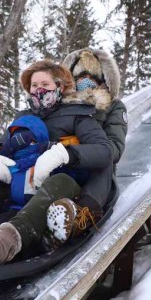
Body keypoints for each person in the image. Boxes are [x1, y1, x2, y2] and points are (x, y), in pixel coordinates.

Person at [0, 59, 114, 267]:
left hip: (62, 183)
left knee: (59, 181)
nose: (39, 90)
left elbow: (104, 150)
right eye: (34, 86)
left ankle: (5, 243)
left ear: (60, 87)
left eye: (45, 85)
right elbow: (2, 149)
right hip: (21, 179)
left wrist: (65, 154)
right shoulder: (22, 118)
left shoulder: (79, 114)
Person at [46, 48, 128, 243]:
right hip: (63, 166)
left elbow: (114, 148)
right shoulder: (62, 106)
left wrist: (76, 152)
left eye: (91, 76)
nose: (86, 81)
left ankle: (82, 215)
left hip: (96, 172)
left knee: (104, 158)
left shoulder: (113, 107)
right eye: (80, 76)